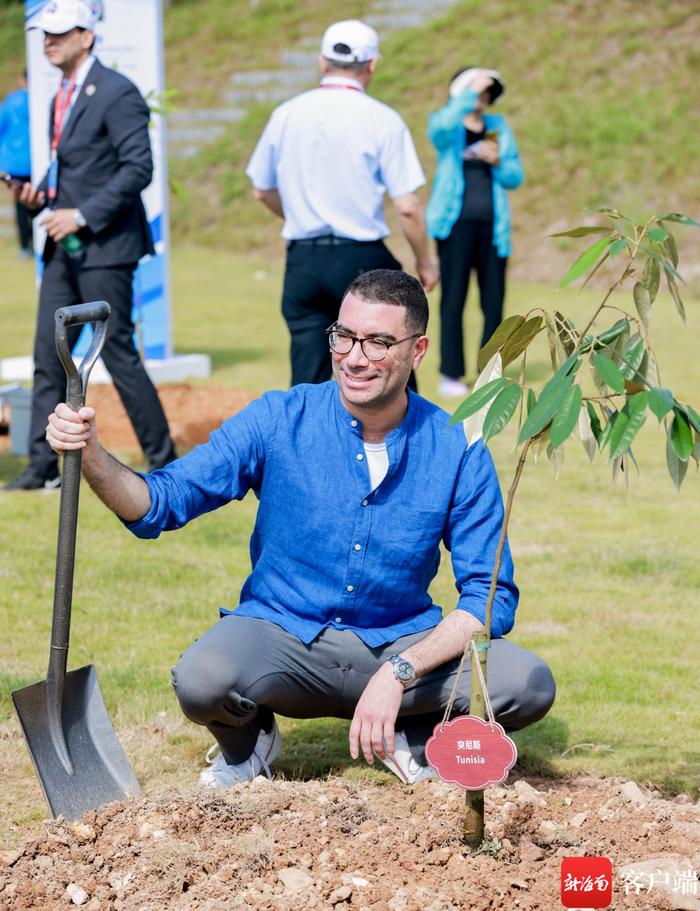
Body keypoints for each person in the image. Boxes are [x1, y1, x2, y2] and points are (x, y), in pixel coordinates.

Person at [46, 268, 555, 787]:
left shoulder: (457, 447)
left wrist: (402, 672)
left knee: (526, 683)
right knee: (203, 680)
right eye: (345, 336)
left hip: (401, 644)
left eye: (379, 343)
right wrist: (91, 456)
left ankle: (415, 728)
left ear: (418, 350)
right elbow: (160, 503)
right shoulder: (278, 419)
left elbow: (487, 599)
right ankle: (249, 743)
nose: (355, 358)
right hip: (284, 639)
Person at [4, 0, 176, 492]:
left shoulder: (117, 92)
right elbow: (79, 171)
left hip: (106, 246)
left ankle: (163, 460)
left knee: (118, 354)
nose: (49, 41)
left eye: (61, 32)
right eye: (45, 33)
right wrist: (42, 197)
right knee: (45, 355)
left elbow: (137, 168)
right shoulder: (58, 92)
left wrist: (80, 213)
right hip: (64, 249)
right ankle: (40, 467)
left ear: (88, 35)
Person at [246, 19, 439, 389]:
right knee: (388, 375)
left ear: (323, 62)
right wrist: (425, 262)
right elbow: (408, 207)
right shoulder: (381, 119)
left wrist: (299, 215)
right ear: (372, 65)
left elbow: (261, 190)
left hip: (302, 259)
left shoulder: (286, 114)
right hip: (361, 259)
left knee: (307, 384)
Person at [426, 67, 524, 398]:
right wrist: (466, 94)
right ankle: (451, 373)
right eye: (476, 90)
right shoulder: (449, 126)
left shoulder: (497, 128)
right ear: (462, 91)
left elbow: (515, 176)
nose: (481, 98)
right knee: (453, 300)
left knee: (493, 302)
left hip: (493, 230)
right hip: (453, 228)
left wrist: (498, 161)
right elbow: (438, 130)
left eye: (486, 92)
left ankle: (490, 373)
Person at [0, 71, 32, 256]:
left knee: (20, 204)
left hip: (15, 163)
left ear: (22, 79)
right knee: (39, 201)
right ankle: (37, 241)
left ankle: (24, 246)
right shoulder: (43, 98)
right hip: (37, 161)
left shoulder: (11, 102)